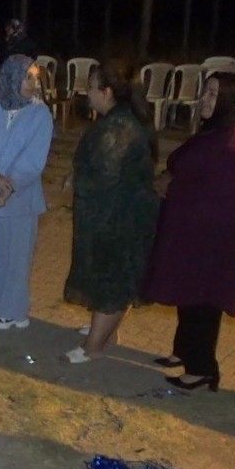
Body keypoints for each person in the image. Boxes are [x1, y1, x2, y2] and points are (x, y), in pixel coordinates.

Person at [142, 72, 235, 390]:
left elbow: (212, 186)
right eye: (205, 91)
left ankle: (202, 367)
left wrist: (172, 183)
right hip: (196, 230)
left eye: (213, 94)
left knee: (202, 300)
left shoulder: (230, 141)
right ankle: (184, 351)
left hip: (210, 237)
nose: (204, 99)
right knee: (188, 293)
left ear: (229, 100)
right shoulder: (218, 131)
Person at [62, 62, 159, 363]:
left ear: (106, 92)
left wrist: (78, 179)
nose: (87, 93)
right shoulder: (122, 119)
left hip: (119, 217)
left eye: (91, 87)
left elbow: (105, 175)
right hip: (120, 212)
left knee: (112, 279)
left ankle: (92, 347)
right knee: (116, 277)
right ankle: (106, 332)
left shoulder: (119, 127)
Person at [0, 55, 53, 329]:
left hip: (21, 197)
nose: (33, 84)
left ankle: (14, 310)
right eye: (27, 77)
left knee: (18, 256)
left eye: (35, 78)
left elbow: (33, 160)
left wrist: (10, 185)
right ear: (11, 78)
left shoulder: (40, 114)